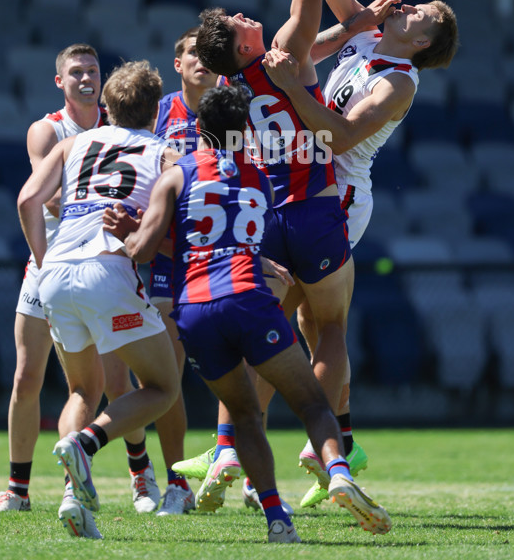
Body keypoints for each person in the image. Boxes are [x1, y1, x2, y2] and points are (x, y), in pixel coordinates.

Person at [256, 0, 460, 507]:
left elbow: (341, 135)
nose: (410, 6)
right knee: (305, 324)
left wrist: (293, 86)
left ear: (423, 42)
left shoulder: (400, 84)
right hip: (299, 179)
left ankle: (284, 445)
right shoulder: (367, 36)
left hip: (338, 193)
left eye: (421, 13)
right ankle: (338, 443)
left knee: (315, 322)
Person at [105, 83, 392, 543]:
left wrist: (127, 231)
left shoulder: (179, 173)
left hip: (195, 311)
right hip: (250, 299)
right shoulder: (259, 178)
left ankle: (255, 492)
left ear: (198, 127)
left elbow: (146, 248)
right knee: (315, 402)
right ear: (245, 130)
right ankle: (336, 469)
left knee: (243, 414)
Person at [187, 0, 359, 510]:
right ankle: (328, 448)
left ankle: (229, 446)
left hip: (261, 221)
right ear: (243, 46)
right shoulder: (284, 54)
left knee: (269, 339)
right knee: (333, 327)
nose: (243, 15)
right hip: (312, 205)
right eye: (236, 22)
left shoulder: (227, 97)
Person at [0, 44, 153, 520]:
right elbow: (49, 198)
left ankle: (140, 474)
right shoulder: (49, 129)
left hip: (102, 265)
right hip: (50, 264)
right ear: (60, 81)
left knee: (115, 381)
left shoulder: (117, 127)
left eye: (92, 71)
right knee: (26, 377)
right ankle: (18, 488)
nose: (85, 78)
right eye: (75, 72)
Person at [16, 59, 182, 539]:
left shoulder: (72, 142)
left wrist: (45, 261)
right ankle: (86, 445)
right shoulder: (164, 151)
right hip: (108, 273)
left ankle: (73, 495)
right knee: (161, 388)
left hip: (54, 276)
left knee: (81, 390)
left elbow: (29, 201)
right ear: (156, 112)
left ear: (106, 107)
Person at [146, 27, 217, 515]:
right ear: (178, 63)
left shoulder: (237, 108)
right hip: (171, 254)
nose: (202, 61)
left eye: (210, 54)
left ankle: (251, 473)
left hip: (223, 251)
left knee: (250, 365)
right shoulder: (158, 113)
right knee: (168, 373)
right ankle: (177, 483)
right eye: (193, 52)